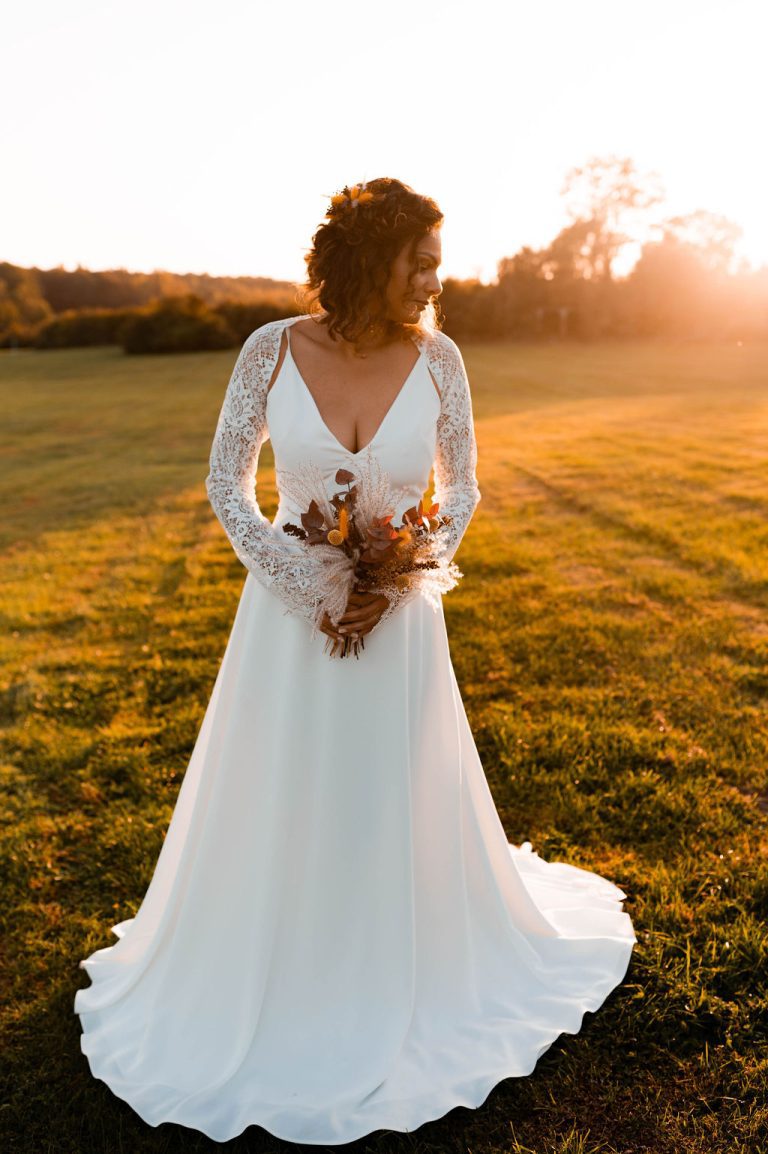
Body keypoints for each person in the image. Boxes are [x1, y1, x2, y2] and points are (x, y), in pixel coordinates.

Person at [74, 177, 636, 1145]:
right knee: (285, 792)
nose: (433, 277)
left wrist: (401, 567)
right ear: (366, 260)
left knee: (388, 798)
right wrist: (313, 583)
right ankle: (277, 965)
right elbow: (226, 483)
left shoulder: (441, 357)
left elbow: (463, 488)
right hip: (287, 626)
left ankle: (395, 960)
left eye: (435, 260)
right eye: (417, 259)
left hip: (403, 622)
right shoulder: (270, 350)